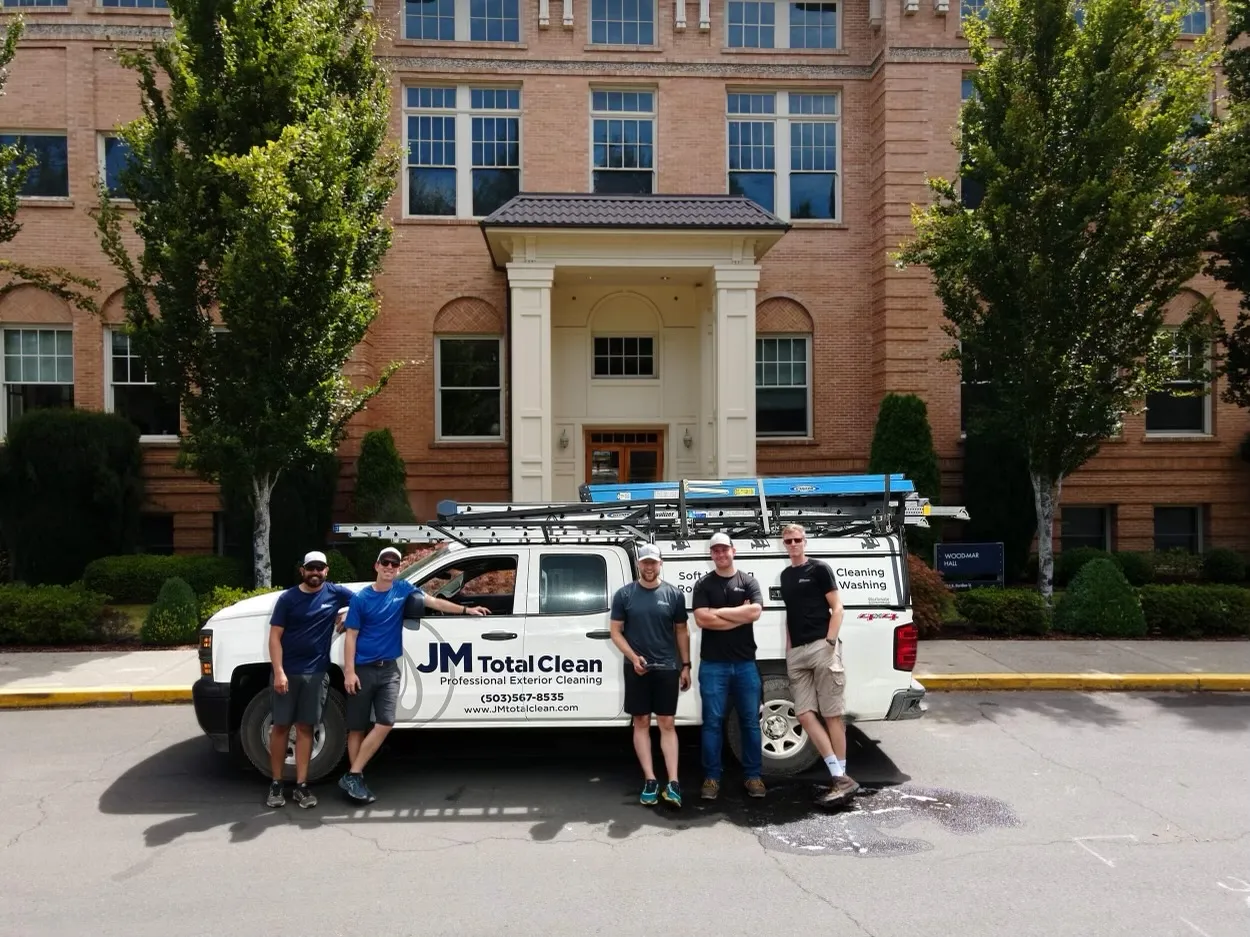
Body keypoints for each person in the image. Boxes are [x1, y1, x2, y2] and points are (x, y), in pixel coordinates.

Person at [338, 545, 489, 804]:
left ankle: (353, 774)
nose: (389, 567)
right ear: (376, 566)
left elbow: (434, 601)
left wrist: (466, 610)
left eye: (394, 564)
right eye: (384, 562)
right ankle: (357, 778)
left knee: (385, 722)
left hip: (388, 670)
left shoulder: (403, 589)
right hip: (363, 669)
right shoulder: (361, 598)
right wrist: (349, 672)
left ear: (398, 569)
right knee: (357, 727)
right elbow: (350, 637)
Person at [265, 550, 354, 809]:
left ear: (327, 571)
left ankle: (302, 786)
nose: (315, 572)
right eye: (311, 568)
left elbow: (364, 602)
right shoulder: (288, 599)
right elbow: (274, 637)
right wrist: (279, 672)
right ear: (302, 571)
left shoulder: (335, 594)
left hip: (316, 673)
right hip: (287, 674)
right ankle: (276, 783)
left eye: (320, 568)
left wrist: (349, 615)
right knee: (280, 727)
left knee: (306, 728)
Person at [778, 523, 860, 805]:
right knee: (803, 714)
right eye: (788, 541)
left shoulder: (820, 569)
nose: (793, 544)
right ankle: (840, 777)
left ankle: (841, 777)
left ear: (805, 541)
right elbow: (790, 614)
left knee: (832, 715)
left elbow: (837, 608)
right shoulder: (786, 576)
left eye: (797, 540)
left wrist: (829, 642)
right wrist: (789, 650)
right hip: (797, 653)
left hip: (821, 647)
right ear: (783, 544)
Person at [608, 543, 691, 808]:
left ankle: (674, 782)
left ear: (660, 564)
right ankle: (650, 780)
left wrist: (686, 665)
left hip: (667, 667)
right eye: (645, 563)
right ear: (638, 565)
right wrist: (633, 658)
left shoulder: (674, 595)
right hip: (637, 668)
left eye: (653, 563)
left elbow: (681, 631)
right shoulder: (624, 595)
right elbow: (616, 632)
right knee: (641, 721)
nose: (649, 567)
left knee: (667, 723)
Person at [691, 532, 766, 801]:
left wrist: (718, 612)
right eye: (716, 551)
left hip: (745, 664)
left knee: (750, 722)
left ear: (733, 550)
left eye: (725, 550)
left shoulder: (748, 581)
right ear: (711, 555)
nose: (721, 554)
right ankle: (712, 778)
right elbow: (701, 619)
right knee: (712, 723)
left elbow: (755, 612)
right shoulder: (703, 585)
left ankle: (754, 777)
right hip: (713, 665)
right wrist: (738, 615)